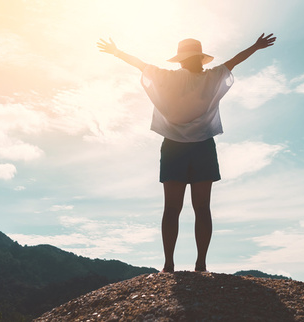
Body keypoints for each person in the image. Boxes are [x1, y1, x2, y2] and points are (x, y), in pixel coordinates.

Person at [97, 33, 276, 273]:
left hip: (173, 146)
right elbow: (235, 60)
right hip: (202, 145)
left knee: (172, 208)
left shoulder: (167, 77)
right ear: (201, 59)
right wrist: (255, 46)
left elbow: (139, 64)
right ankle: (200, 264)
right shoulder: (211, 77)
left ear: (180, 60)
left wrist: (117, 52)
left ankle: (169, 264)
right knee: (202, 207)